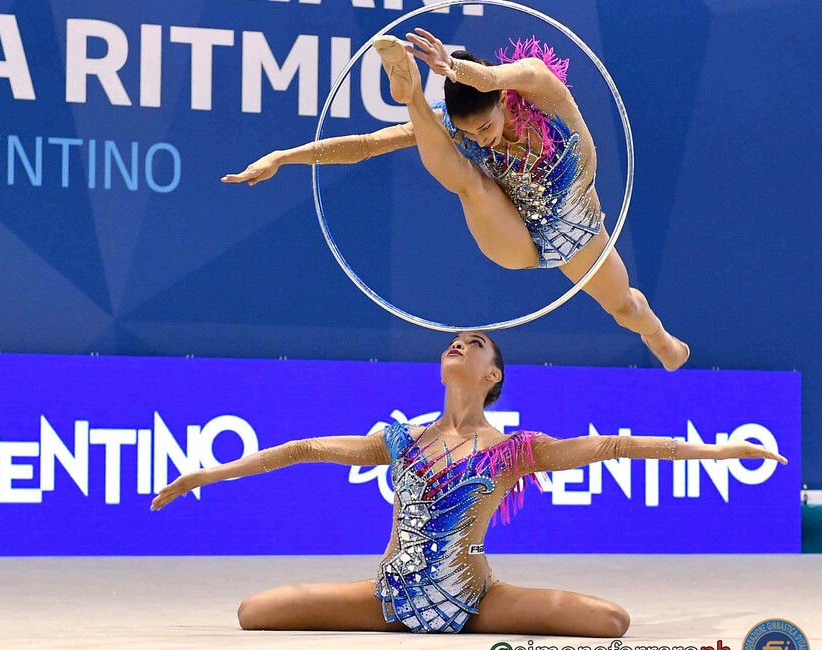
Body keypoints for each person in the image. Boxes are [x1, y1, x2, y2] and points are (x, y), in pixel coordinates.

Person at [150, 331, 786, 635]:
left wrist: (722, 449)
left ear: (492, 378)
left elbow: (617, 444)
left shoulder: (515, 451)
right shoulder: (400, 440)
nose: (460, 344)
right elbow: (303, 449)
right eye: (456, 341)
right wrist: (208, 472)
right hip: (387, 598)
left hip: (475, 602)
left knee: (612, 623)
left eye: (476, 344)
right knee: (252, 614)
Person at [223, 30, 689, 371]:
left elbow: (492, 74)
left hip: (579, 223)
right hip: (519, 235)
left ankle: (661, 339)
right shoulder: (459, 126)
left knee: (625, 306)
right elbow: (366, 144)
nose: (483, 141)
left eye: (485, 127)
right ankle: (410, 97)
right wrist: (284, 156)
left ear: (503, 99)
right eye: (471, 133)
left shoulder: (534, 82)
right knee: (468, 179)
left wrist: (454, 68)